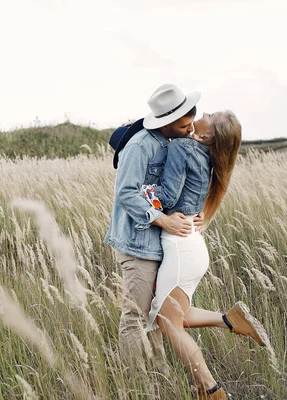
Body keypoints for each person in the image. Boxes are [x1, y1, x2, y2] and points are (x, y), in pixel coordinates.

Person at [142, 110, 267, 399]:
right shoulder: (204, 154)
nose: (204, 112)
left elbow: (169, 197)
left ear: (207, 134)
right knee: (176, 315)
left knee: (169, 323)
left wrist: (143, 192)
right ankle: (229, 319)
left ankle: (211, 390)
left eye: (209, 115)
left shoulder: (182, 147)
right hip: (192, 247)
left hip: (180, 247)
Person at [104, 84, 204, 374]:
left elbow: (172, 189)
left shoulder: (172, 144)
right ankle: (136, 384)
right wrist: (164, 220)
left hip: (161, 244)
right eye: (185, 125)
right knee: (135, 317)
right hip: (138, 245)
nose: (190, 129)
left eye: (192, 123)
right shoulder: (140, 146)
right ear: (167, 123)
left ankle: (159, 376)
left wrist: (195, 213)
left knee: (158, 315)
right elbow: (126, 191)